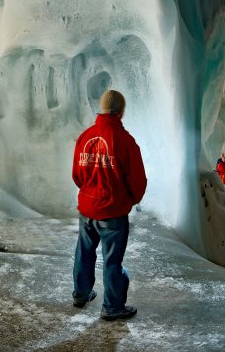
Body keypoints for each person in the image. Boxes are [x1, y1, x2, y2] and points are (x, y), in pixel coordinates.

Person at [72, 90, 147, 321]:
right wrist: (130, 200)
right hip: (113, 212)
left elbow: (77, 174)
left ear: (102, 108)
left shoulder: (86, 137)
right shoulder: (125, 141)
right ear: (121, 112)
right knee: (112, 260)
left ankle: (81, 294)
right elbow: (137, 181)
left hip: (87, 208)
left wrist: (89, 192)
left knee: (84, 253)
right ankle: (112, 306)